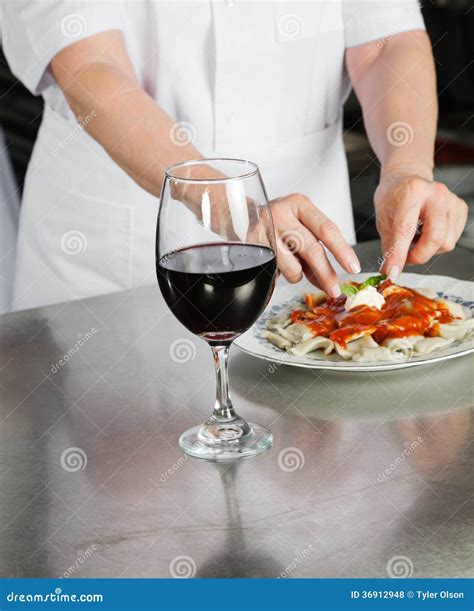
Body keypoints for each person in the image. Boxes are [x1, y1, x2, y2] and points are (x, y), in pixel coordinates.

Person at [2, 0, 468, 310]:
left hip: (310, 245)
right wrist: (229, 205)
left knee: (316, 440)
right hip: (119, 256)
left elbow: (385, 39)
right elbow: (89, 66)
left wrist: (406, 167)